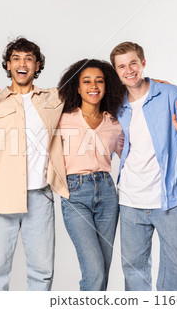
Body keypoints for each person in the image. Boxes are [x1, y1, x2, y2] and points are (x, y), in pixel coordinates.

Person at [0, 37, 69, 291]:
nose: (22, 64)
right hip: (0, 200)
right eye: (16, 59)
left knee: (42, 272)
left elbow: (92, 89)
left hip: (40, 198)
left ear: (37, 65)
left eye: (28, 59)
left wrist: (149, 84)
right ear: (8, 65)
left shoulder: (55, 98)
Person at [109, 41, 177, 291]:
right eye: (122, 66)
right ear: (116, 72)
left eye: (133, 63)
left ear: (143, 63)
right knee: (134, 271)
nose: (128, 70)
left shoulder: (171, 94)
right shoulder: (115, 102)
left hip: (170, 198)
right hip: (130, 200)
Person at [57, 59, 124, 291]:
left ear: (106, 86)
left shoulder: (114, 123)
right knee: (93, 271)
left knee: (103, 271)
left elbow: (130, 157)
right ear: (76, 87)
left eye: (99, 81)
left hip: (107, 193)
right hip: (75, 194)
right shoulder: (62, 119)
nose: (93, 86)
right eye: (86, 81)